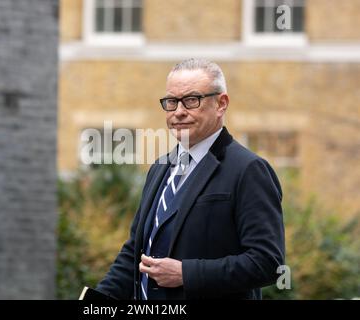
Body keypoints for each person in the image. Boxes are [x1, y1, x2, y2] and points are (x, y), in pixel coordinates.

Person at [95, 58, 285, 299]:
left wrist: (186, 273)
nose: (179, 112)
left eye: (191, 100)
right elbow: (135, 252)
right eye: (171, 102)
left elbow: (268, 263)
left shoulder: (249, 170)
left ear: (221, 104)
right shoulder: (160, 168)